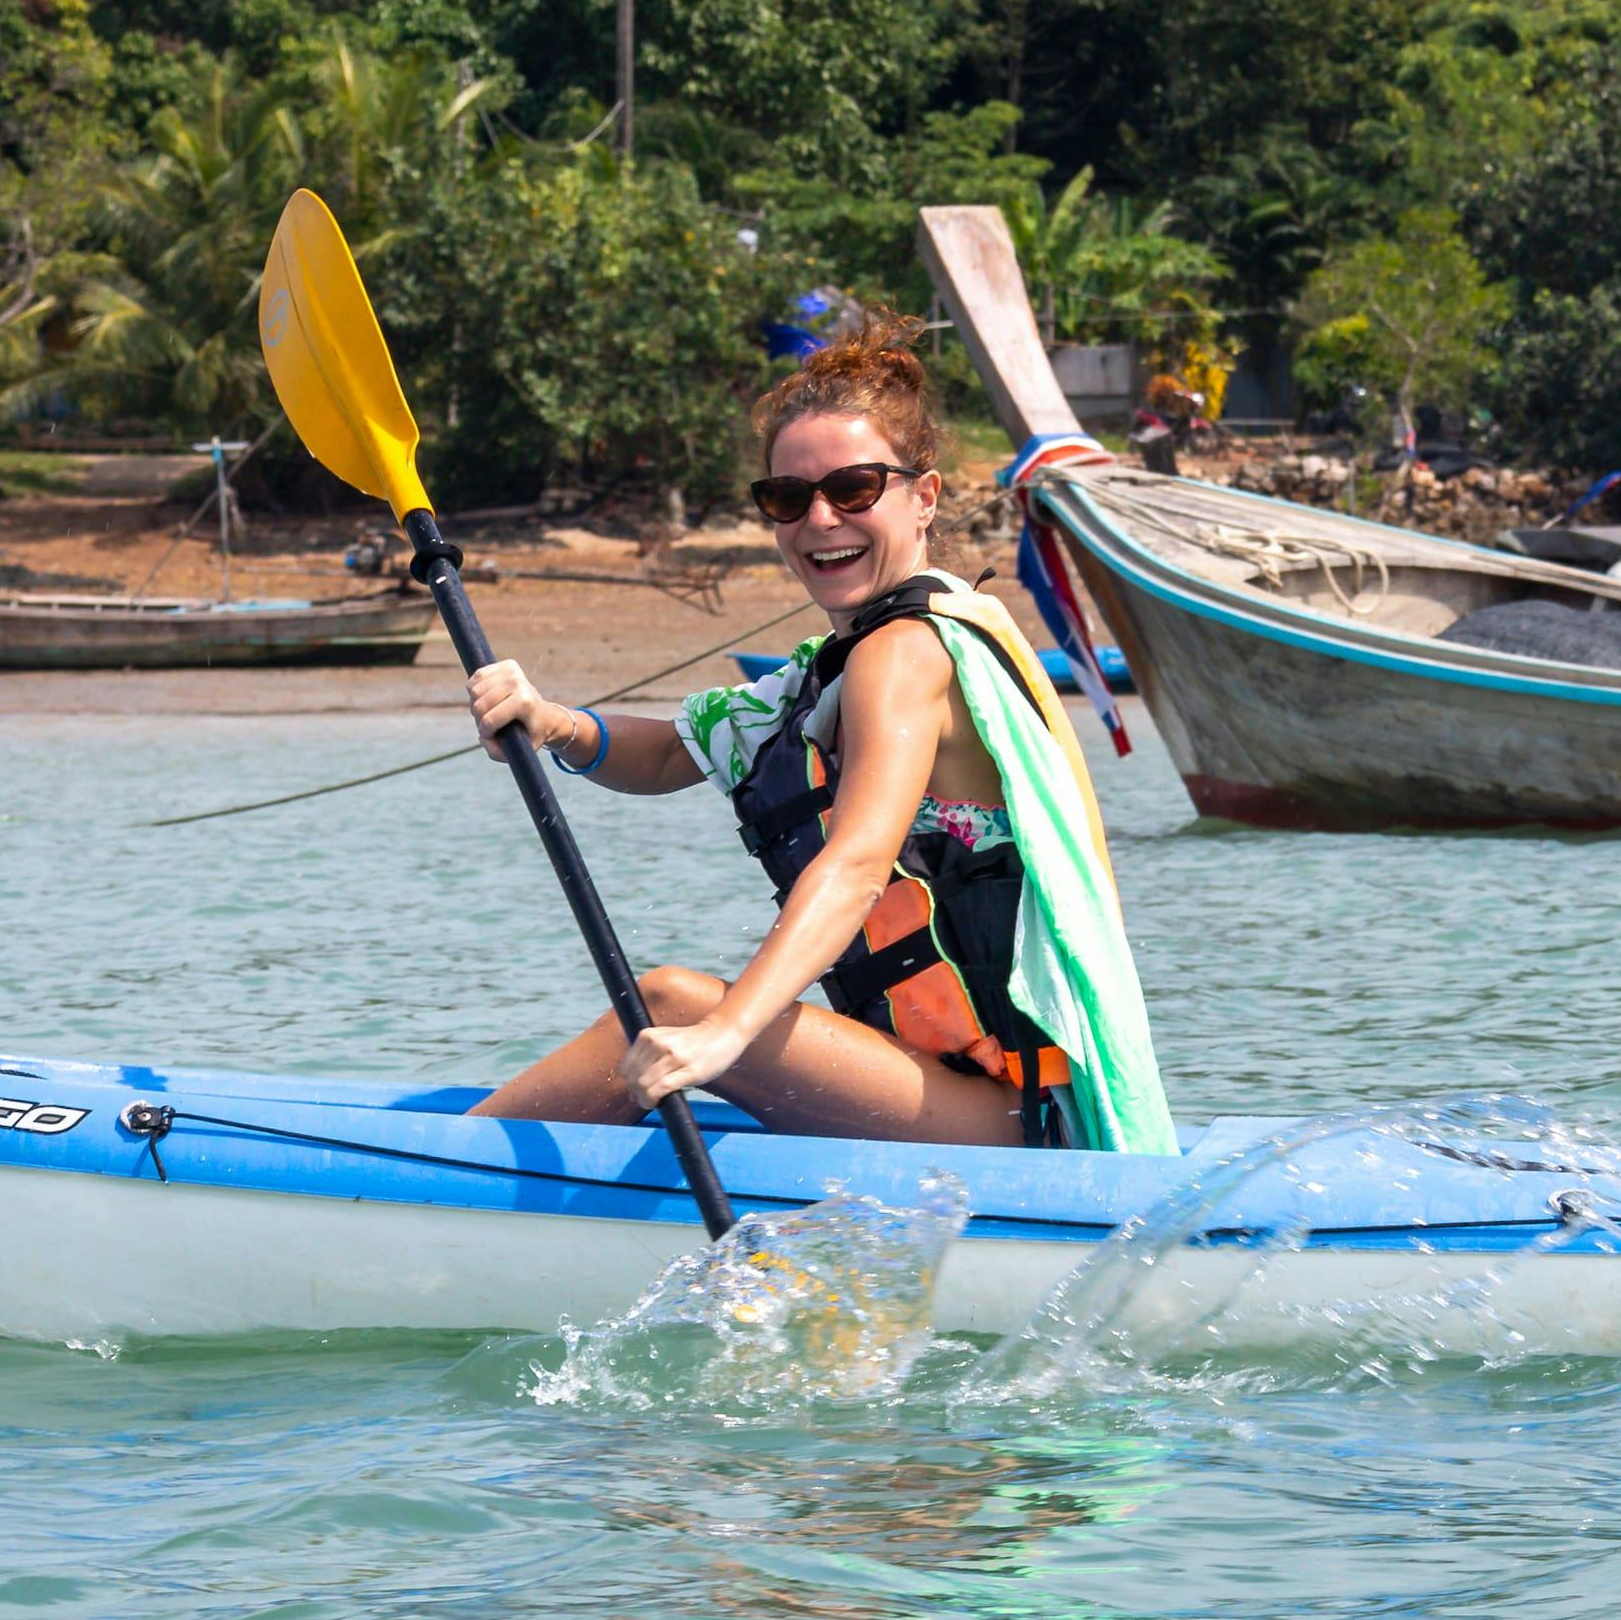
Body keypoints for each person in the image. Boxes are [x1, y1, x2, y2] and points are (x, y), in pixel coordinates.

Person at [456, 319, 1174, 1154]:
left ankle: (421, 1192)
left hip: (1014, 1120)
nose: (820, 519)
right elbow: (666, 753)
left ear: (926, 496)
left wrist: (723, 1035)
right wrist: (549, 723)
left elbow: (859, 864)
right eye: (788, 499)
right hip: (947, 1090)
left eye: (856, 488)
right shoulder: (839, 662)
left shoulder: (904, 654)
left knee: (672, 1007)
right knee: (676, 1017)